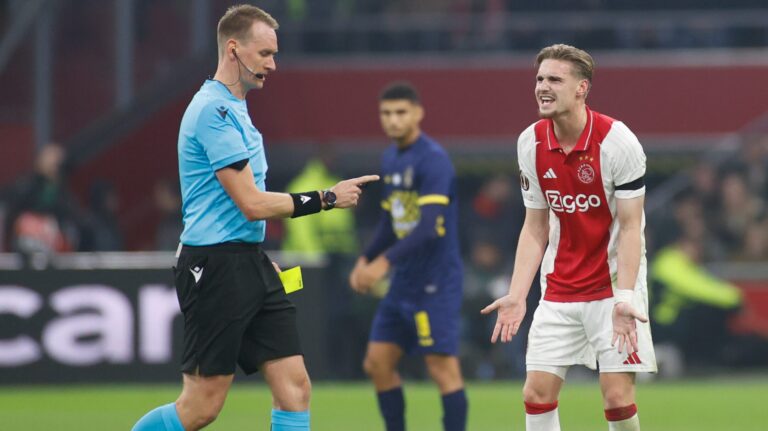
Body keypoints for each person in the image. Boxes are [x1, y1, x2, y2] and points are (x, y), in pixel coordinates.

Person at [130, 5, 378, 431]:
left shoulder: (235, 108)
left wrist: (254, 253)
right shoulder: (213, 111)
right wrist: (326, 198)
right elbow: (251, 202)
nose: (273, 65)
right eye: (265, 53)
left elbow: (245, 211)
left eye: (274, 54)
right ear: (233, 49)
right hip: (214, 265)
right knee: (202, 406)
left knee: (295, 387)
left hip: (246, 259)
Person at [481, 44, 657, 431]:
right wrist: (516, 294)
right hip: (560, 287)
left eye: (554, 79)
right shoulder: (530, 142)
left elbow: (631, 227)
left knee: (616, 397)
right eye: (539, 79)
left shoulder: (617, 142)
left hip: (613, 288)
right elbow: (535, 227)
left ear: (582, 88)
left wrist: (626, 297)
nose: (542, 87)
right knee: (536, 393)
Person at [349, 82, 468, 431]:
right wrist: (365, 258)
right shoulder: (391, 157)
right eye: (386, 113)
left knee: (441, 368)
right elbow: (392, 222)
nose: (393, 120)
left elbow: (429, 226)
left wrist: (382, 264)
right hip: (404, 280)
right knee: (377, 363)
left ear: (418, 113)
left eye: (401, 112)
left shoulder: (433, 160)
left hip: (435, 280)